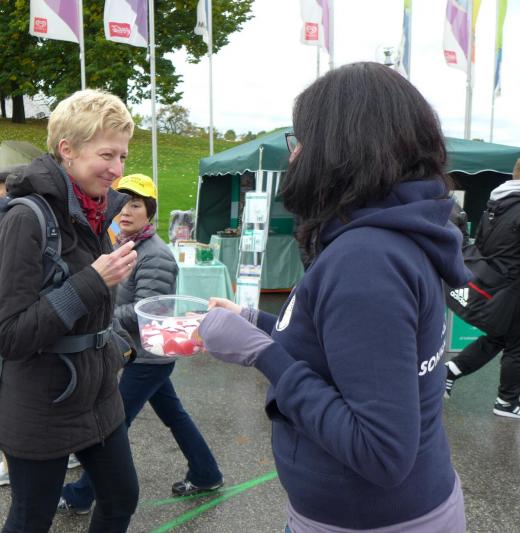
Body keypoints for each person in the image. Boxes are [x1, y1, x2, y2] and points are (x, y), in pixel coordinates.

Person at [197, 62, 471, 531]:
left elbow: (382, 452)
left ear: (340, 148)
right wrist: (254, 321)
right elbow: (342, 348)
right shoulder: (384, 239)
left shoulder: (366, 259)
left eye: (302, 140)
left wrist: (262, 354)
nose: (295, 154)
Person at [0, 89, 140, 532]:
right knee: (32, 519)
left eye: (123, 156)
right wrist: (93, 281)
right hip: (40, 404)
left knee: (121, 497)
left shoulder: (96, 212)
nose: (118, 169)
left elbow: (94, 309)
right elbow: (8, 336)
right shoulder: (26, 219)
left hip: (97, 393)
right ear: (67, 150)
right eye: (106, 154)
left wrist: (122, 341)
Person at [58, 174, 223, 515]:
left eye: (135, 205)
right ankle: (206, 473)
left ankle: (81, 495)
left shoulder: (155, 255)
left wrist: (100, 316)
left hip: (147, 356)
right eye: (121, 204)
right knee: (175, 415)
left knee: (113, 425)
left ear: (150, 212)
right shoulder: (125, 245)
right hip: (142, 354)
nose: (126, 211)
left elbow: (149, 311)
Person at [0, 163, 82, 486]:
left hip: (52, 369)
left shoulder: (33, 216)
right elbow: (10, 333)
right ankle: (10, 463)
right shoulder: (23, 218)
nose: (0, 193)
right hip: (37, 368)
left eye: (4, 185)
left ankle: (16, 463)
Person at [444, 155, 520, 419]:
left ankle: (449, 371)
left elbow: (483, 248)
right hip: (518, 292)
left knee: (498, 337)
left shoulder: (494, 208)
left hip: (496, 288)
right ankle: (507, 402)